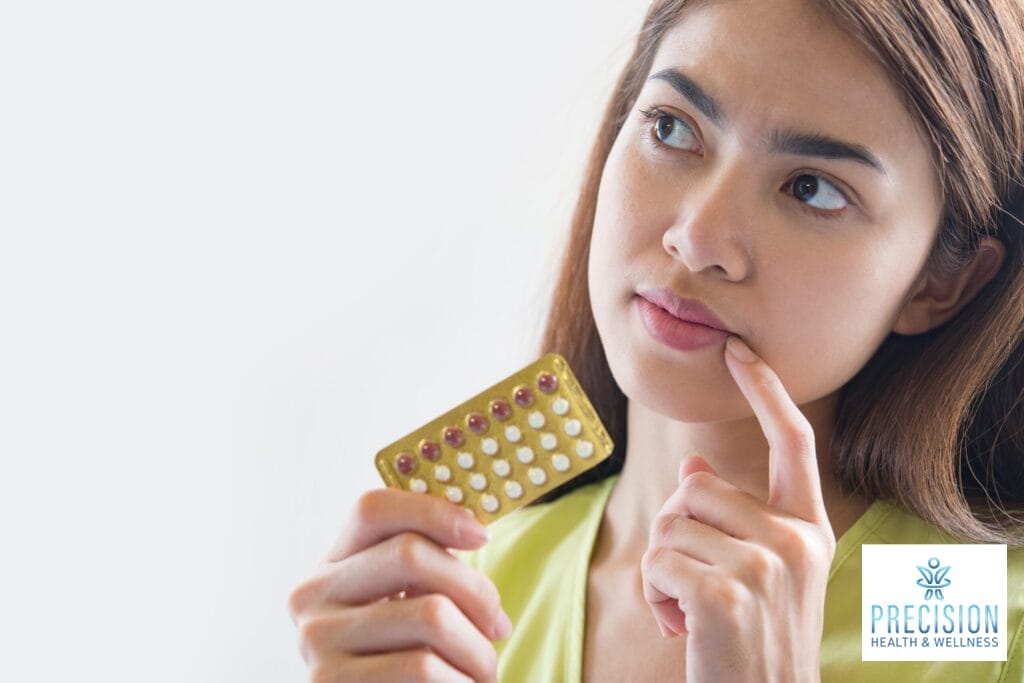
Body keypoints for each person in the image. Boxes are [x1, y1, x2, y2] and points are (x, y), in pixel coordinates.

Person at [287, 0, 1024, 680]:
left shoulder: (976, 618)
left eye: (812, 188)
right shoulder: (457, 600)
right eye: (672, 129)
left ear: (940, 284)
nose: (697, 237)